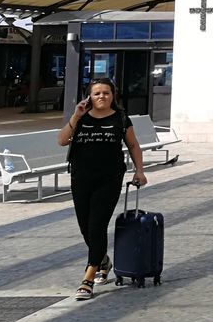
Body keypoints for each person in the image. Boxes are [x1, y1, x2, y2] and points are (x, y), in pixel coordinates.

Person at [56, 78, 148, 300]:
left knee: (97, 225)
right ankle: (103, 260)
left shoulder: (121, 119)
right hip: (81, 178)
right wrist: (76, 115)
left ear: (113, 95)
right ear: (89, 96)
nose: (101, 97)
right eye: (96, 93)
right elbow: (61, 140)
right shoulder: (81, 117)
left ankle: (88, 278)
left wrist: (139, 171)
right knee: (85, 227)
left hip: (109, 178)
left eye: (106, 93)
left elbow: (133, 145)